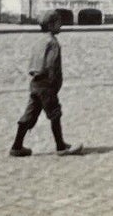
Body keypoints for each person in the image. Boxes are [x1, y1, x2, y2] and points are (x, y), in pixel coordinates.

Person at [10, 10, 82, 158]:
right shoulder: (53, 43)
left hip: (35, 83)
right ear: (51, 25)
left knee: (30, 114)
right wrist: (54, 85)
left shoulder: (39, 41)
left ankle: (17, 146)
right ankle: (61, 146)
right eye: (58, 22)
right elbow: (51, 66)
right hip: (46, 84)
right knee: (55, 113)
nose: (60, 25)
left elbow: (33, 63)